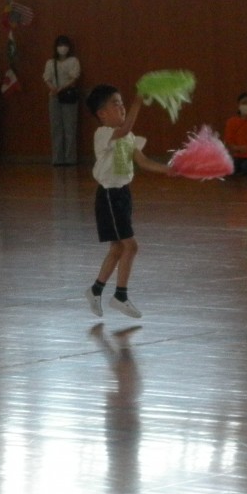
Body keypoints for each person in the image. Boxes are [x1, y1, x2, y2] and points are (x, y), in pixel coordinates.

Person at [85, 84, 179, 320]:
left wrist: (168, 169)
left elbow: (143, 161)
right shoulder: (103, 134)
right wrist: (138, 101)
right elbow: (125, 127)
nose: (122, 107)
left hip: (123, 195)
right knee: (131, 246)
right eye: (115, 104)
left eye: (122, 103)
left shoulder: (128, 137)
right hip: (109, 196)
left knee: (118, 248)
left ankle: (95, 290)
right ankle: (120, 295)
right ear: (102, 114)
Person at [44, 35, 82, 166]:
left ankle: (70, 159)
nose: (62, 48)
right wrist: (53, 88)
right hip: (54, 96)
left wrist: (61, 88)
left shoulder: (73, 61)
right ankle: (57, 159)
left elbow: (74, 78)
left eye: (65, 45)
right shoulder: (50, 62)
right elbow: (47, 78)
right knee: (56, 128)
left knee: (70, 127)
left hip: (68, 95)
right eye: (60, 45)